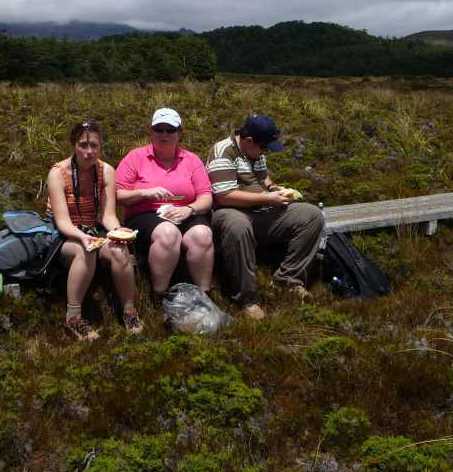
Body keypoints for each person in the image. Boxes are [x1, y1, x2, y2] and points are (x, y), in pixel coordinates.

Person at [206, 115, 324, 320]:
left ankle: (288, 280)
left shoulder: (255, 150)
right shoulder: (222, 152)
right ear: (248, 140)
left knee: (312, 216)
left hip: (261, 209)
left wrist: (272, 187)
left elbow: (261, 176)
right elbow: (224, 197)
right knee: (238, 226)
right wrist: (267, 198)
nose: (265, 152)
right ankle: (248, 298)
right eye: (264, 148)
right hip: (230, 211)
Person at [46, 121, 143, 340]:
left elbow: (107, 215)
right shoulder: (58, 174)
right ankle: (73, 317)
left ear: (100, 146)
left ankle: (129, 311)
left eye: (94, 145)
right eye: (83, 145)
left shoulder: (107, 171)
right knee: (85, 250)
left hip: (92, 229)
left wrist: (119, 232)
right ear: (73, 145)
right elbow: (62, 221)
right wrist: (82, 237)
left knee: (119, 251)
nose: (89, 151)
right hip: (63, 234)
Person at [116, 108, 214, 301]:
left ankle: (205, 296)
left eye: (170, 129)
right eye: (159, 129)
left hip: (185, 213)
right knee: (168, 233)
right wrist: (144, 193)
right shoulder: (135, 157)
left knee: (202, 235)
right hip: (145, 214)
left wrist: (189, 209)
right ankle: (159, 295)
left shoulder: (191, 160)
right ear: (151, 131)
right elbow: (117, 195)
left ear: (179, 133)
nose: (164, 134)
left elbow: (206, 197)